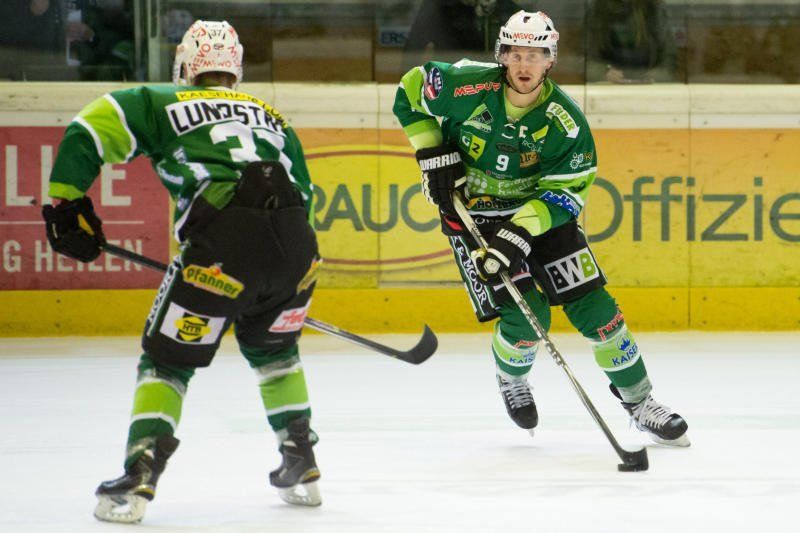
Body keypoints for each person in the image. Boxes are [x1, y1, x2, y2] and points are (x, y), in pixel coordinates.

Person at [42, 20, 323, 523]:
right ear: (235, 69)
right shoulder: (273, 117)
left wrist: (66, 202)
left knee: (167, 361)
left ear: (185, 65)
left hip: (223, 248)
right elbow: (307, 193)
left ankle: (141, 469)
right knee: (275, 351)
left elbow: (89, 128)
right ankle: (301, 459)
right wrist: (269, 276)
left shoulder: (160, 100)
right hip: (297, 247)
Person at [393, 10, 689, 446]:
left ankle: (641, 403)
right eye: (515, 54)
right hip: (474, 217)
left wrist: (520, 230)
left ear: (550, 60)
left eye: (535, 55)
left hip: (541, 218)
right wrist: (431, 151)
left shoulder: (564, 121)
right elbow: (409, 90)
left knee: (598, 312)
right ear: (501, 55)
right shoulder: (465, 85)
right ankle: (511, 378)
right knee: (527, 320)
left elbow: (567, 191)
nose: (524, 65)